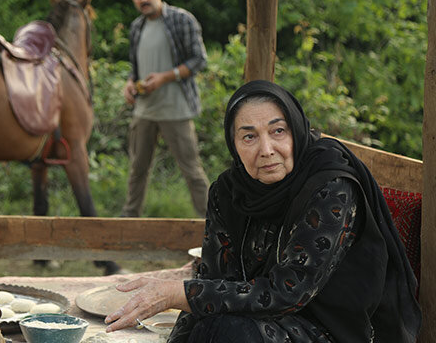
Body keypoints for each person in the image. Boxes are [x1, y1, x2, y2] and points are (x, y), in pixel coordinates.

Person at [105, 80, 421, 342]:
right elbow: (214, 280)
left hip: (330, 328)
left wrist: (176, 294)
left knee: (229, 331)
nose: (266, 149)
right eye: (249, 136)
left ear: (296, 130)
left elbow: (288, 293)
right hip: (254, 315)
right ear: (234, 144)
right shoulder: (228, 192)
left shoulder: (331, 185)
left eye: (278, 131)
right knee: (206, 327)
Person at [121, 0, 209, 217]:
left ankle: (214, 225)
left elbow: (199, 60)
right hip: (145, 110)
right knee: (137, 171)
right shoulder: (136, 27)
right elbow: (135, 67)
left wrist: (164, 77)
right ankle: (128, 223)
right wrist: (130, 84)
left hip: (176, 109)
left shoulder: (182, 20)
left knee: (191, 171)